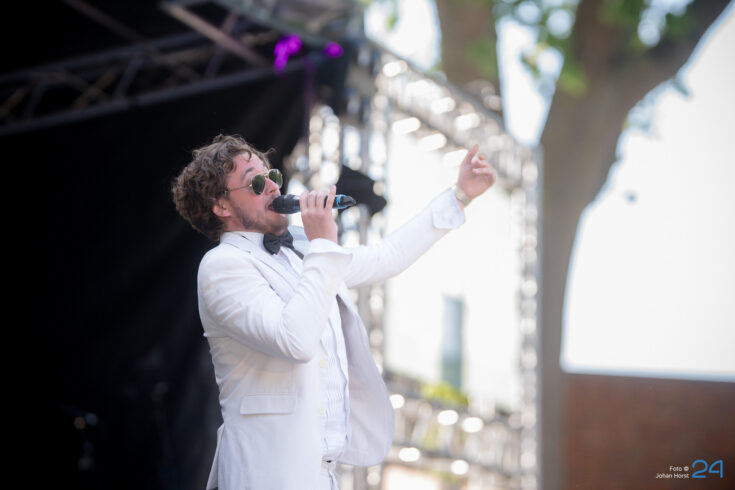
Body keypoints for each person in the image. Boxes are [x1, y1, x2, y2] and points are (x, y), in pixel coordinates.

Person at [171, 134, 496, 490]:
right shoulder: (223, 265)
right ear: (222, 206)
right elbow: (295, 339)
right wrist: (324, 245)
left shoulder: (304, 249)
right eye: (257, 182)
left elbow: (386, 257)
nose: (273, 187)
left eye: (272, 176)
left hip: (322, 473)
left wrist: (459, 195)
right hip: (266, 473)